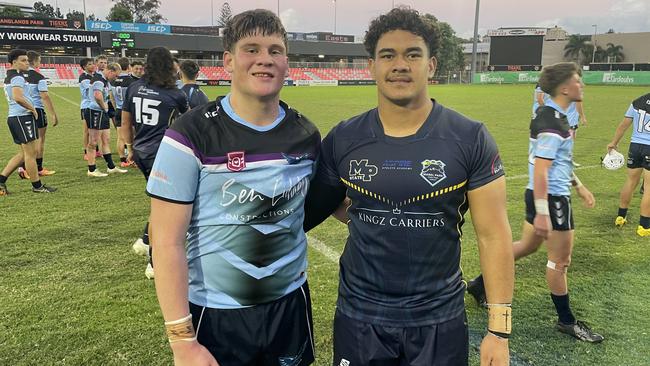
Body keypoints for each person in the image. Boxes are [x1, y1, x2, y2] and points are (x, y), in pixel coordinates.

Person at [303, 7, 513, 366]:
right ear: (371, 65)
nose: (400, 64)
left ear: (431, 65)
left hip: (439, 320)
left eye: (413, 54)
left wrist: (498, 331)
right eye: (388, 55)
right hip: (360, 318)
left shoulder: (470, 138)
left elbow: (494, 236)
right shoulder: (344, 138)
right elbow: (309, 210)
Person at [146, 10, 320, 365]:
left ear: (286, 61)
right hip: (216, 313)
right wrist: (182, 341)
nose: (264, 60)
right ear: (228, 60)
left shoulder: (305, 133)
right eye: (251, 49)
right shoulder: (189, 134)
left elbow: (321, 203)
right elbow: (165, 242)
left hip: (289, 306)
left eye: (275, 50)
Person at [467, 62, 604, 343]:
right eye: (578, 81)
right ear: (564, 87)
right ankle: (566, 321)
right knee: (560, 262)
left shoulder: (552, 114)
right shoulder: (553, 122)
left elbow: (557, 162)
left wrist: (579, 186)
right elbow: (542, 170)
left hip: (545, 196)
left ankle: (478, 285)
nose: (582, 85)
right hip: (551, 200)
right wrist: (543, 213)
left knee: (527, 246)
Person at [121, 47, 189, 278]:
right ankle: (154, 262)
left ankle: (144, 241)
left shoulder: (133, 87)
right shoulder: (174, 94)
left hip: (141, 151)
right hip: (163, 154)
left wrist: (130, 148)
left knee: (159, 202)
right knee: (166, 209)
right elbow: (187, 123)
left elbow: (125, 122)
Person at [0, 49, 56, 195]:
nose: (27, 63)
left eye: (27, 60)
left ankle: (1, 181)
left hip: (15, 117)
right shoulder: (17, 77)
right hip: (22, 117)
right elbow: (18, 97)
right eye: (23, 60)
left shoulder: (10, 76)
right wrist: (33, 109)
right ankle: (37, 186)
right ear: (14, 62)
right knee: (31, 154)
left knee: (23, 154)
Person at [606, 92, 650, 236]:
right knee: (649, 187)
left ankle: (620, 217)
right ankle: (644, 226)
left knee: (631, 182)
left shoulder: (637, 101)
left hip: (635, 146)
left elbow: (623, 125)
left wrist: (614, 142)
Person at [85, 62, 128, 177]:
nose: (116, 78)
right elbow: (97, 95)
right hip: (95, 112)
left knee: (106, 139)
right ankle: (92, 169)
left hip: (102, 113)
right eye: (116, 75)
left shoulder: (104, 80)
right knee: (93, 142)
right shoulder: (98, 80)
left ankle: (111, 167)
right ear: (110, 71)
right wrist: (105, 107)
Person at [532, 83, 587, 167]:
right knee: (567, 139)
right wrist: (583, 116)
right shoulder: (570, 87)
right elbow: (578, 103)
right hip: (568, 118)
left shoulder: (561, 87)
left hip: (561, 115)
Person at [24, 50, 58, 177]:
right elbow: (45, 96)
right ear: (34, 61)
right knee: (40, 141)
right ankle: (38, 168)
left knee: (27, 142)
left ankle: (24, 168)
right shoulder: (39, 77)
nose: (40, 62)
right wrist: (53, 114)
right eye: (39, 60)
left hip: (23, 110)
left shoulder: (19, 76)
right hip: (37, 110)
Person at [110, 57, 137, 167]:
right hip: (128, 111)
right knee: (133, 135)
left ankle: (123, 160)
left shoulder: (113, 81)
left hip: (118, 110)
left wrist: (116, 106)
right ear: (129, 67)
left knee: (120, 137)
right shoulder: (131, 81)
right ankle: (133, 158)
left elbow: (111, 96)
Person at [78, 57, 96, 161]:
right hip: (86, 106)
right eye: (90, 64)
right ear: (84, 67)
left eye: (93, 64)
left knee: (94, 130)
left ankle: (95, 150)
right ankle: (86, 151)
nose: (93, 65)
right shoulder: (84, 77)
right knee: (87, 130)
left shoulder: (93, 76)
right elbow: (92, 89)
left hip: (93, 105)